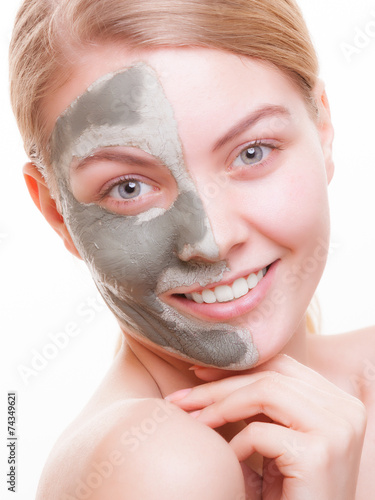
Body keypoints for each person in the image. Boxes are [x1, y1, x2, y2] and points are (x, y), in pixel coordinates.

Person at [9, 0, 374, 498]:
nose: (213, 239)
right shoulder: (156, 467)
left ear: (323, 129)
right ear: (56, 212)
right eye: (129, 187)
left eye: (252, 152)